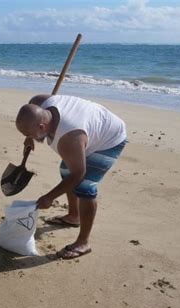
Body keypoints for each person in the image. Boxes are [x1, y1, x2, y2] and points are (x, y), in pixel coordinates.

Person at [15, 94, 127, 259]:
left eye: (31, 134)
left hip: (110, 138)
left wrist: (49, 197)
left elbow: (78, 174)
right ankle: (74, 216)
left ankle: (83, 242)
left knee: (85, 186)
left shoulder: (69, 139)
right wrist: (29, 138)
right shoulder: (39, 102)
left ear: (41, 127)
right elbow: (31, 108)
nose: (31, 138)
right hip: (91, 126)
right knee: (66, 171)